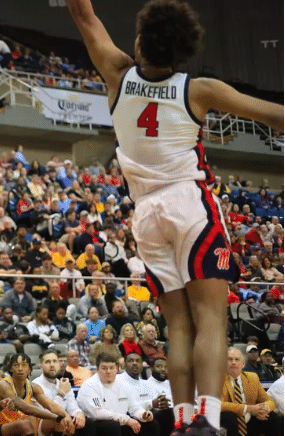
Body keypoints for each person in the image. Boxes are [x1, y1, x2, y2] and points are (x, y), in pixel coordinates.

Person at [63, 0, 283, 432]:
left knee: (178, 323)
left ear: (141, 41)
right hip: (190, 204)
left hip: (145, 213)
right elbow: (275, 115)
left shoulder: (116, 73)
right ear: (183, 49)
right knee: (212, 319)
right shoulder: (199, 89)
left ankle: (184, 421)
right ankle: (209, 419)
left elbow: (83, 14)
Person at [76, 352, 158, 436]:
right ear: (97, 369)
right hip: (96, 424)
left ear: (117, 369)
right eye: (104, 368)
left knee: (151, 424)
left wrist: (143, 414)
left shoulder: (124, 383)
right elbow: (97, 413)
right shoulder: (90, 385)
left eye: (111, 368)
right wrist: (126, 419)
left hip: (121, 422)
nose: (108, 371)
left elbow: (134, 406)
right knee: (112, 426)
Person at [0, 353, 74, 434]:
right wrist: (57, 417)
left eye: (24, 365)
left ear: (29, 369)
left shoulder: (34, 387)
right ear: (11, 368)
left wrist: (65, 415)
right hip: (0, 426)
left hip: (24, 424)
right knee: (26, 423)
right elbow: (24, 407)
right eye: (16, 365)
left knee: (66, 424)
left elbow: (51, 405)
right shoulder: (3, 384)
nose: (20, 369)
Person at [219, 347, 282, 436]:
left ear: (243, 364)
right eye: (230, 359)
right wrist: (249, 408)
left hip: (250, 420)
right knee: (229, 417)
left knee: (273, 417)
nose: (233, 362)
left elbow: (269, 401)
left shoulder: (253, 377)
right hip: (230, 421)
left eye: (237, 359)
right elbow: (219, 404)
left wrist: (265, 409)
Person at [30, 349, 89, 433]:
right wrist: (61, 393)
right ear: (41, 366)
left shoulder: (63, 383)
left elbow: (72, 406)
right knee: (61, 422)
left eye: (54, 361)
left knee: (87, 422)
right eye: (47, 362)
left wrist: (79, 414)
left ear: (59, 364)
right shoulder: (35, 385)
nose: (52, 365)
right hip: (43, 424)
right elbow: (48, 413)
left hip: (63, 421)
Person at [145, 357, 174, 436]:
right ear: (151, 368)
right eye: (159, 367)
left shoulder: (172, 384)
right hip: (159, 416)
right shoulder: (145, 385)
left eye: (166, 367)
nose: (163, 369)